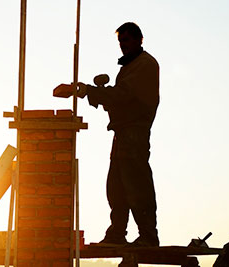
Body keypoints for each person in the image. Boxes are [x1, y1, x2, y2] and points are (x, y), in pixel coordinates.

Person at [77, 22, 160, 247]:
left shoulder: (145, 65)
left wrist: (89, 92)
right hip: (123, 133)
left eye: (127, 40)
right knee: (117, 187)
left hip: (135, 133)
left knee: (137, 185)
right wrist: (99, 94)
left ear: (138, 39)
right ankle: (117, 234)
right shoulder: (129, 67)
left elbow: (124, 96)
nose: (123, 45)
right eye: (120, 41)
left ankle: (148, 236)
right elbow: (118, 99)